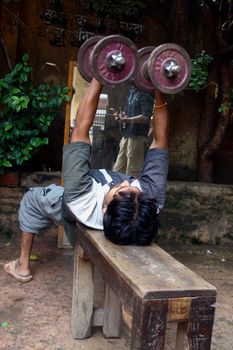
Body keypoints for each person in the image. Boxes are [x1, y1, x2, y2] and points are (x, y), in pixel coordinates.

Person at [3, 77, 169, 283]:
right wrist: (160, 89)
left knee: (31, 198)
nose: (127, 184)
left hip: (71, 213)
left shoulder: (80, 197)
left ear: (105, 210)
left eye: (120, 191)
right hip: (107, 207)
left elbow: (81, 128)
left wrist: (100, 76)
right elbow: (160, 140)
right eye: (133, 190)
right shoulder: (150, 198)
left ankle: (22, 266)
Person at [112, 84, 154, 178]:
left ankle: (131, 192)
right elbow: (128, 113)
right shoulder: (131, 90)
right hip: (127, 135)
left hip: (138, 137)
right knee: (118, 169)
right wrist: (120, 116)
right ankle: (117, 190)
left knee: (133, 172)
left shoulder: (146, 93)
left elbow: (146, 117)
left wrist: (128, 120)